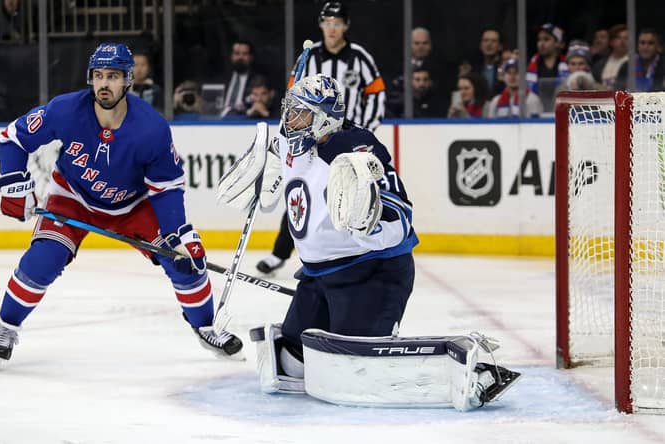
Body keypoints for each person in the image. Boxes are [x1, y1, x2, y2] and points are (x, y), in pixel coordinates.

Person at [217, 74, 519, 411]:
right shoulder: (291, 145)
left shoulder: (356, 147)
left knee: (360, 370)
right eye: (288, 112)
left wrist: (369, 223)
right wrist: (264, 176)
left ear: (324, 118)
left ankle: (470, 372)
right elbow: (280, 186)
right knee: (290, 362)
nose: (289, 121)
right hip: (317, 277)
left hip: (371, 274)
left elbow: (400, 220)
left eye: (300, 114)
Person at [0, 43, 243, 367]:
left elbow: (165, 189)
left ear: (128, 80)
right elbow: (12, 138)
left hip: (134, 206)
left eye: (112, 76)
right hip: (73, 199)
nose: (104, 83)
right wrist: (12, 184)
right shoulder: (65, 110)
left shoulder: (151, 129)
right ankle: (5, 326)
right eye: (98, 76)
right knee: (43, 260)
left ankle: (206, 326)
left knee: (185, 263)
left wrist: (178, 234)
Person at [256, 0, 387, 274]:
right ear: (321, 25)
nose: (332, 28)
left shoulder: (360, 57)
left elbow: (376, 94)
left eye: (337, 23)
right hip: (312, 139)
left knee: (353, 195)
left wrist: (365, 131)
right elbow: (293, 95)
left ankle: (354, 253)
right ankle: (286, 253)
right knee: (303, 193)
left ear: (346, 26)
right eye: (327, 23)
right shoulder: (310, 57)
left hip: (349, 139)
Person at [526, 23, 568, 113]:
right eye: (539, 40)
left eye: (546, 39)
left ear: (557, 43)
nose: (541, 43)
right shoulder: (532, 65)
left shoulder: (568, 64)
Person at [221, 40, 261, 117]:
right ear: (231, 56)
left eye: (245, 54)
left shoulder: (258, 79)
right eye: (237, 53)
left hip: (245, 122)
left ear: (251, 57)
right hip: (218, 122)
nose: (240, 57)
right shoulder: (221, 79)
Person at [592, 24, 628, 90]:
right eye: (618, 38)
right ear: (611, 41)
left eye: (626, 38)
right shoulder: (600, 64)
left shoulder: (635, 63)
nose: (622, 41)